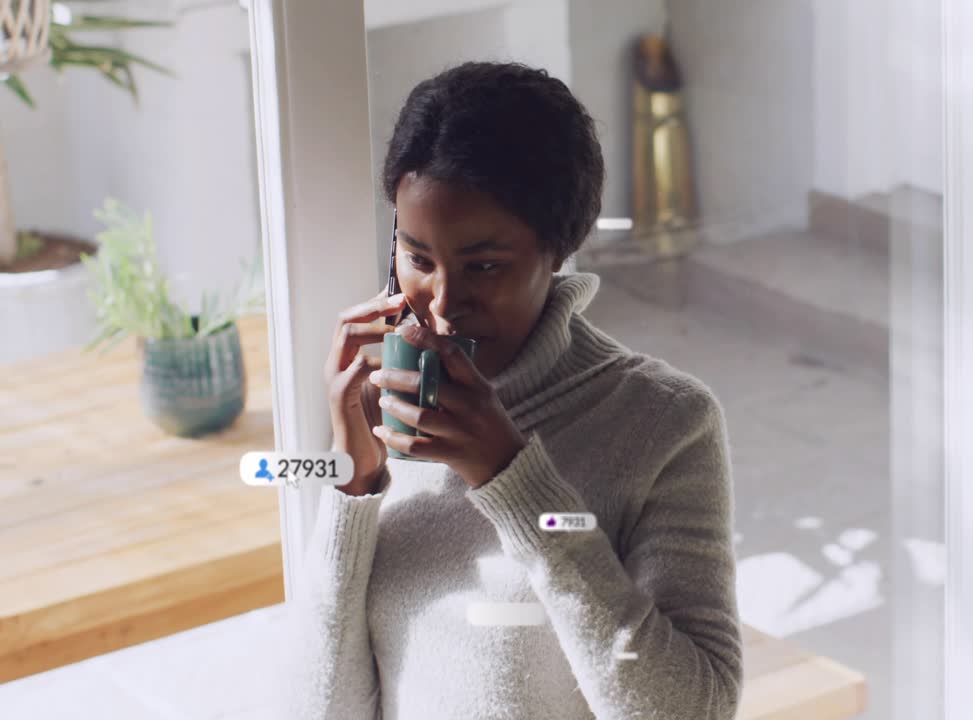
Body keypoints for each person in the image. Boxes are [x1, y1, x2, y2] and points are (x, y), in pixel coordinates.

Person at [282, 61, 742, 720]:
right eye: (416, 258)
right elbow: (318, 709)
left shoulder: (665, 423)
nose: (441, 307)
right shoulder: (376, 397)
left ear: (559, 247)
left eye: (484, 266)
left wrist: (512, 478)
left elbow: (693, 710)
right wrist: (351, 485)